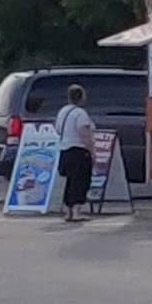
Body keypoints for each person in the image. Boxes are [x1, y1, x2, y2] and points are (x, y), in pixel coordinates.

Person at [55, 84, 95, 223]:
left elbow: (58, 129)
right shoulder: (80, 113)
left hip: (65, 149)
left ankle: (68, 211)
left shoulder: (63, 111)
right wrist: (92, 151)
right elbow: (84, 133)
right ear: (82, 97)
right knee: (81, 181)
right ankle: (77, 212)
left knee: (70, 181)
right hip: (79, 150)